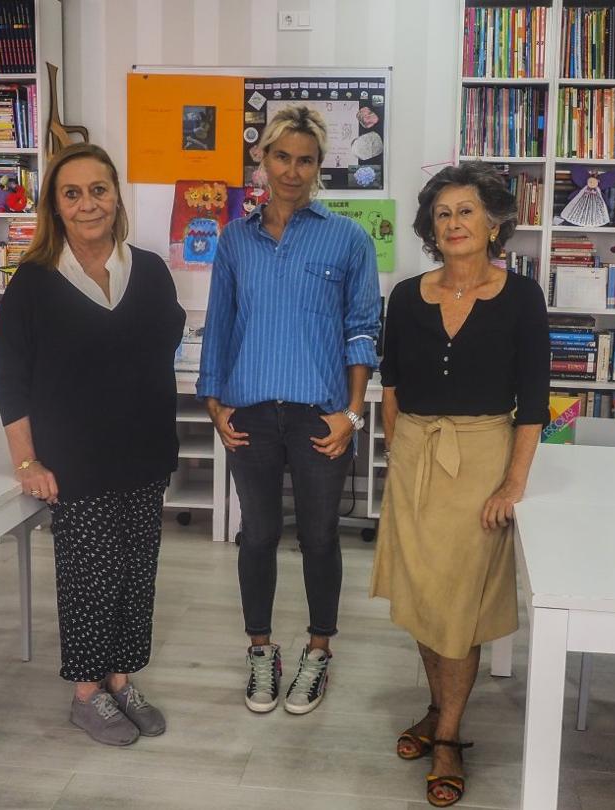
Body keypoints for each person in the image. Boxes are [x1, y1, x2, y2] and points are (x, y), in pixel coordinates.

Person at [0, 142, 185, 747]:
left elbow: (164, 341)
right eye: (71, 193)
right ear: (55, 204)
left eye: (98, 190)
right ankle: (85, 693)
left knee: (135, 574)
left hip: (144, 451)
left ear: (115, 196)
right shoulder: (35, 281)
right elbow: (10, 379)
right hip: (74, 460)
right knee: (89, 578)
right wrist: (26, 460)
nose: (87, 204)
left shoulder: (148, 270)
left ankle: (121, 680)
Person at [371, 162, 549, 807]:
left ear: (494, 222)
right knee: (424, 598)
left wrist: (513, 485)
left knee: (460, 605)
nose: (454, 223)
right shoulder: (407, 296)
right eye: (443, 214)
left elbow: (533, 401)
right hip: (417, 456)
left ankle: (446, 737)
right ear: (431, 227)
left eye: (466, 211)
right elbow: (390, 383)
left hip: (481, 462)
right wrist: (400, 449)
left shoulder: (522, 297)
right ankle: (441, 711)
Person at [198, 105, 381, 716]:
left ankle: (319, 649)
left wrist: (352, 414)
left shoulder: (348, 238)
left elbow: (362, 329)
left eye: (305, 159)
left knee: (322, 537)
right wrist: (214, 403)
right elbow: (219, 326)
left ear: (319, 165)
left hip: (320, 417)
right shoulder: (234, 240)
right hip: (249, 412)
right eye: (282, 157)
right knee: (258, 536)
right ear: (263, 159)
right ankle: (260, 649)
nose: (293, 170)